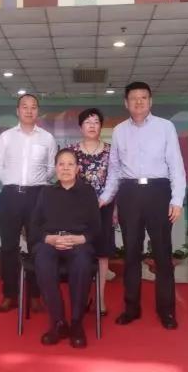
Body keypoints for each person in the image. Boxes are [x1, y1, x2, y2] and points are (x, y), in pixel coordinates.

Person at [99, 82, 186, 330]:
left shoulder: (165, 127)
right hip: (129, 193)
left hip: (159, 191)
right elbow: (115, 169)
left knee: (162, 254)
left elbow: (176, 165)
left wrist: (177, 200)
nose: (139, 102)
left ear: (150, 101)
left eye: (144, 97)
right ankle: (131, 308)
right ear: (126, 103)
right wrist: (105, 198)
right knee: (131, 254)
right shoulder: (119, 131)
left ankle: (166, 311)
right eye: (134, 98)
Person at [30, 148, 101, 348]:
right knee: (42, 260)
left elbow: (96, 228)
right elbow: (34, 226)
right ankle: (58, 322)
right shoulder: (46, 193)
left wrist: (81, 239)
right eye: (61, 164)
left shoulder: (87, 192)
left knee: (82, 262)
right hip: (51, 242)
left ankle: (76, 322)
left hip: (78, 243)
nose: (66, 168)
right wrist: (49, 239)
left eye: (70, 164)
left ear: (77, 169)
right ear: (55, 168)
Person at [0, 93, 57, 313]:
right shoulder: (6, 137)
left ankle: (36, 295)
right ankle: (10, 295)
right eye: (25, 107)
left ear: (38, 111)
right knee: (8, 247)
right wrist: (13, 184)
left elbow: (51, 168)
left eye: (33, 107)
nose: (29, 111)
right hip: (11, 195)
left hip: (38, 195)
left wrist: (36, 185)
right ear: (18, 111)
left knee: (37, 246)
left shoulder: (47, 138)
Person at [69, 108, 114, 316]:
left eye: (96, 122)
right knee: (81, 251)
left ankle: (101, 298)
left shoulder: (111, 151)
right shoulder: (72, 152)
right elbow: (66, 180)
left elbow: (115, 179)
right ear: (81, 127)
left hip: (104, 207)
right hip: (78, 210)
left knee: (102, 253)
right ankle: (82, 295)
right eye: (87, 122)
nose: (92, 126)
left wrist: (104, 201)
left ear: (101, 126)